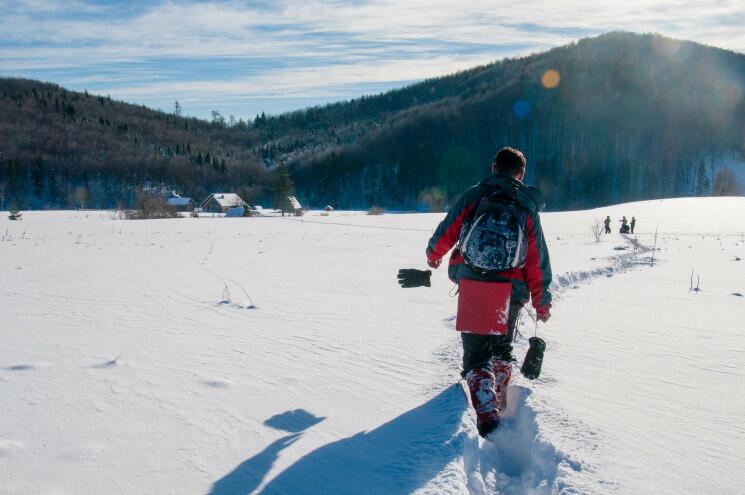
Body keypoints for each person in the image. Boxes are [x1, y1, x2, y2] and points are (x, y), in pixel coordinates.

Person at [425, 147, 552, 439]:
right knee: (501, 347)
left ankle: (487, 416)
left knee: (475, 354)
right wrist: (541, 303)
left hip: (473, 282)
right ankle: (501, 401)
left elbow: (449, 228)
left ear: (494, 167)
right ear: (521, 174)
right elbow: (537, 260)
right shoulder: (526, 206)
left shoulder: (476, 195)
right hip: (512, 290)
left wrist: (434, 255)